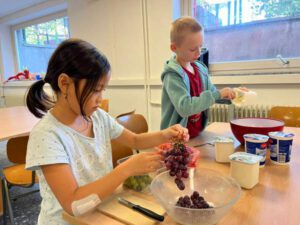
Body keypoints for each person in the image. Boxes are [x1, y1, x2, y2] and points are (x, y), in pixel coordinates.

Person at [25, 39, 189, 225]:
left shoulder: (98, 117)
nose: (100, 99)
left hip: (101, 209)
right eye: (96, 90)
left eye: (103, 90)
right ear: (64, 83)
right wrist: (126, 169)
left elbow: (135, 140)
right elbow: (73, 204)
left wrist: (165, 134)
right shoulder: (47, 135)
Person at [160, 16, 237, 138]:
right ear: (174, 48)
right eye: (192, 49)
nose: (199, 52)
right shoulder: (172, 75)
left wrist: (232, 94)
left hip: (196, 135)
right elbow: (185, 107)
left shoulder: (200, 69)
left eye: (200, 46)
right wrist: (219, 94)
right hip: (176, 140)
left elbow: (212, 94)